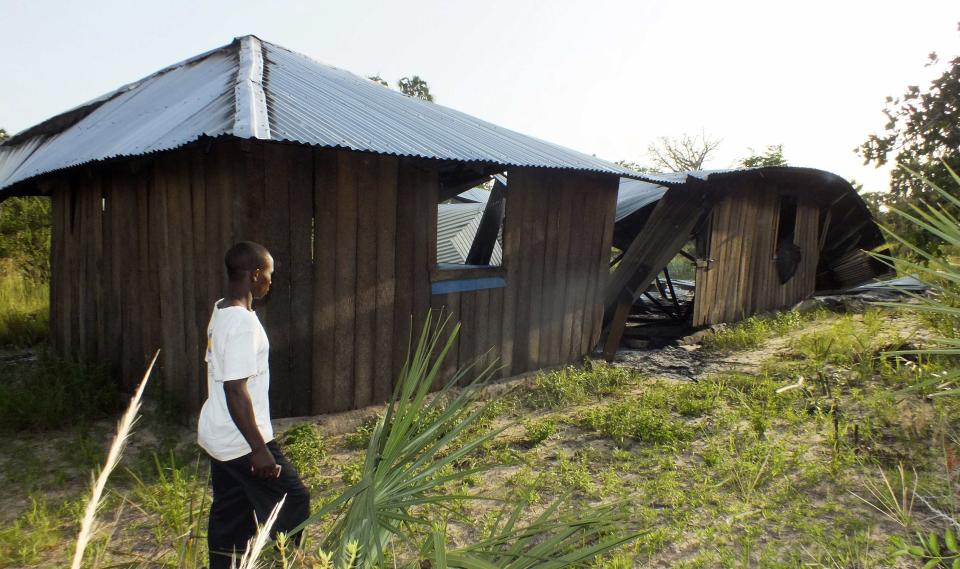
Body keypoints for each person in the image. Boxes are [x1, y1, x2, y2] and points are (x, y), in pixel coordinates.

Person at [198, 241, 310, 569]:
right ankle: (284, 562)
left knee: (232, 514)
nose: (271, 282)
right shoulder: (242, 324)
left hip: (220, 435)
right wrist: (259, 449)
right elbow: (235, 390)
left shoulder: (222, 309)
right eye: (269, 275)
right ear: (255, 274)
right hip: (241, 440)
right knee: (293, 502)